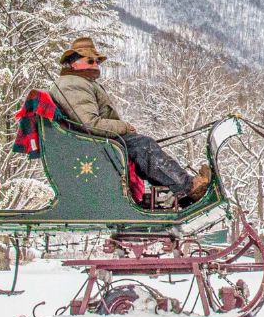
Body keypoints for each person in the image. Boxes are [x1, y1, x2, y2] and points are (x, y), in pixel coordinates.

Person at [47, 37, 213, 205]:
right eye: (90, 60)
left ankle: (182, 193)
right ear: (74, 63)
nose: (95, 64)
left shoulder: (79, 81)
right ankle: (188, 187)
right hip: (94, 143)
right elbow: (89, 123)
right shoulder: (74, 84)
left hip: (97, 141)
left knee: (143, 146)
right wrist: (124, 127)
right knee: (144, 146)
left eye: (97, 61)